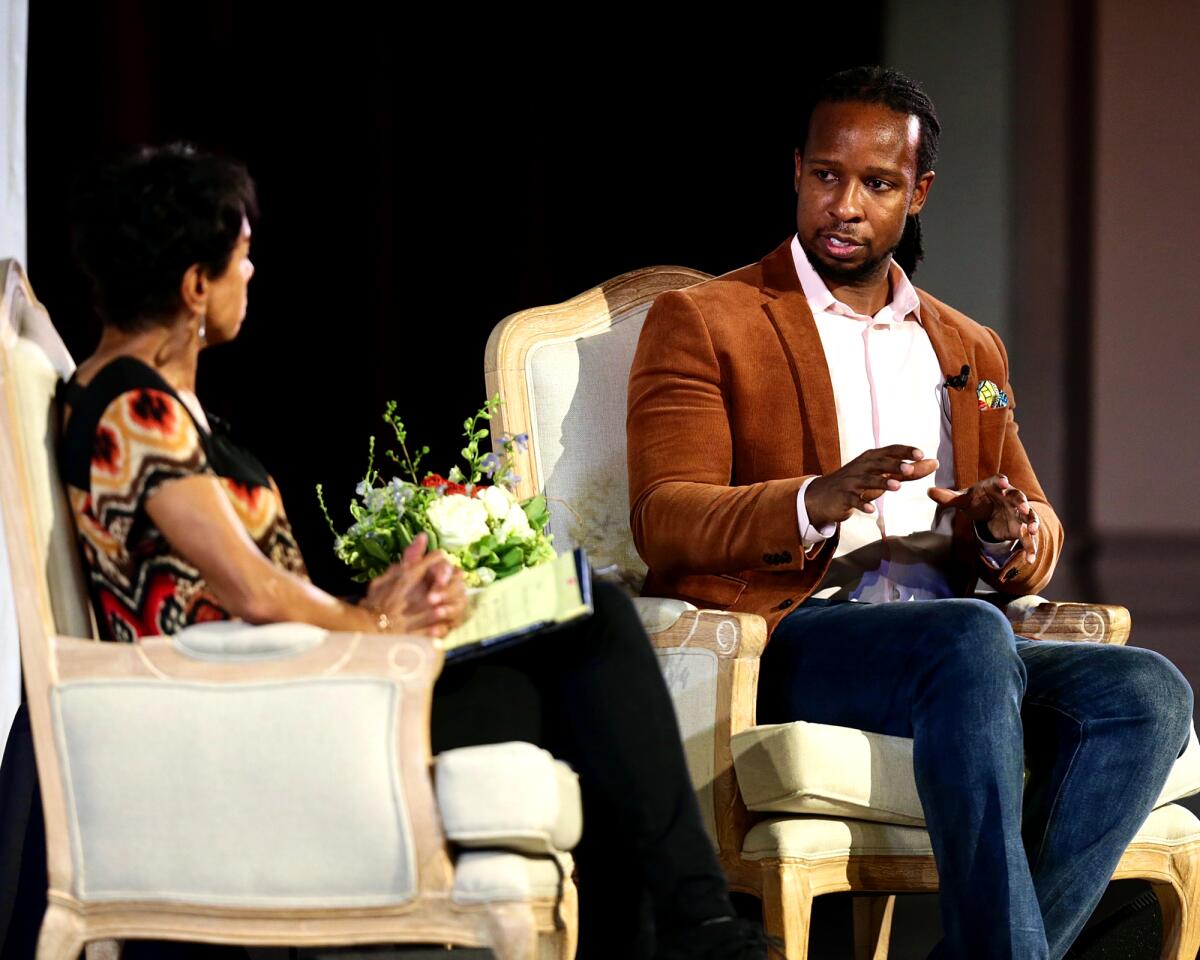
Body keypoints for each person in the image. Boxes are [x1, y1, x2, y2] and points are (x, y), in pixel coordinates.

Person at [0, 144, 773, 960]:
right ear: (196, 285)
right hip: (263, 722)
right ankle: (701, 928)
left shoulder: (150, 403)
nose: (251, 274)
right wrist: (373, 623)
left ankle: (693, 929)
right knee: (590, 646)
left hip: (285, 693)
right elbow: (255, 594)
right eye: (243, 256)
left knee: (583, 630)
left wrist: (377, 608)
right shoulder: (135, 414)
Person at [626, 66, 1193, 960]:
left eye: (877, 184)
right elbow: (665, 518)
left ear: (918, 193)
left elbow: (1032, 522)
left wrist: (1006, 529)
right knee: (965, 636)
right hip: (799, 642)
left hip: (960, 650)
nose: (843, 205)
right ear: (798, 173)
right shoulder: (708, 320)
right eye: (825, 176)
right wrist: (819, 497)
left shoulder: (966, 346)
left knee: (1147, 692)